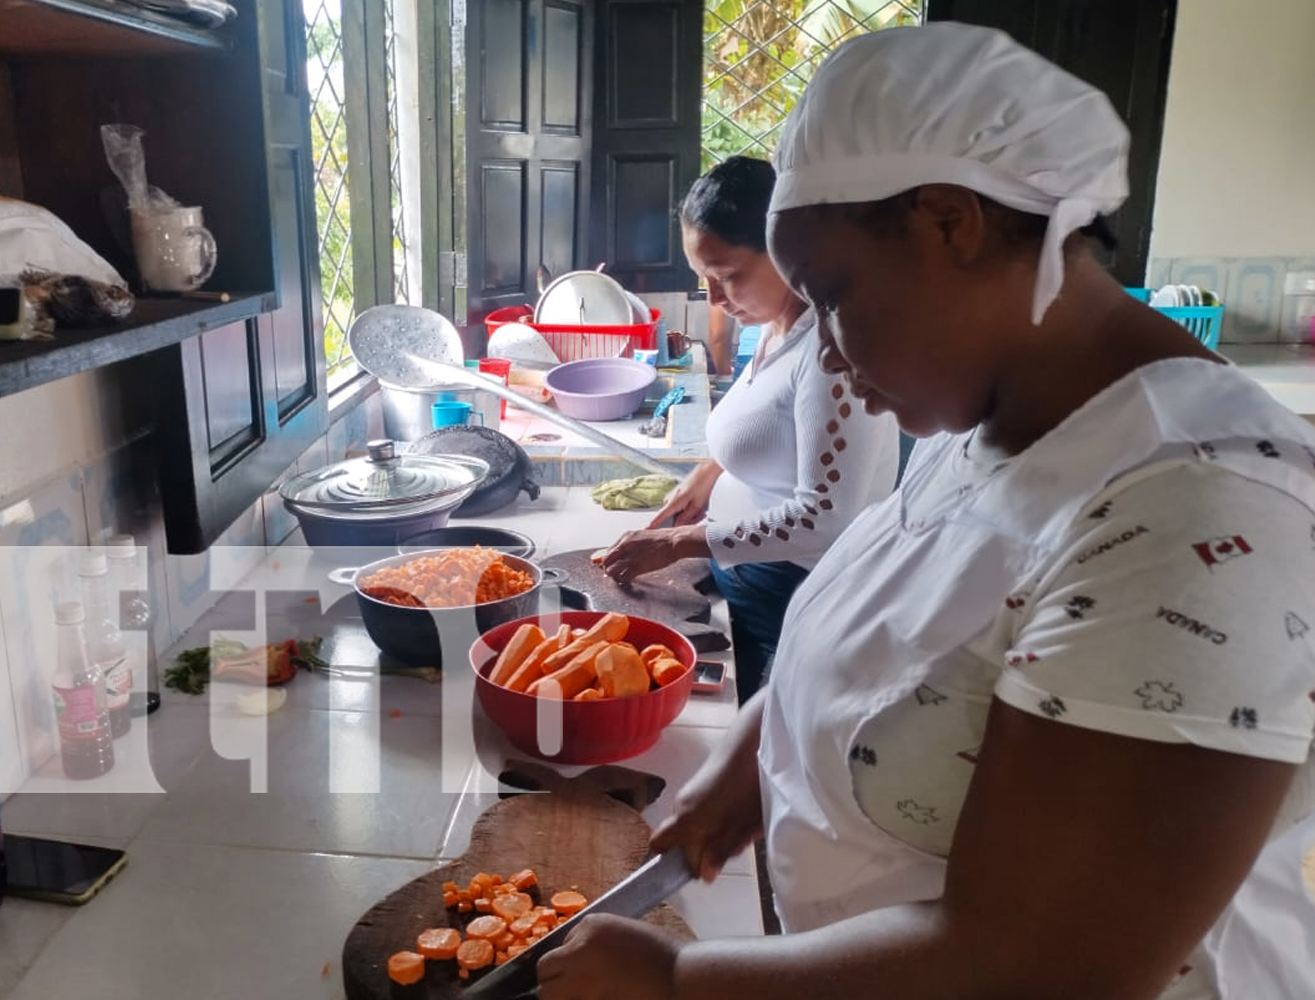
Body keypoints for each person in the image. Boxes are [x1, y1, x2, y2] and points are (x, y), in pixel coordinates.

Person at [538, 23, 1315, 1000]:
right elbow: (904, 633)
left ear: (952, 223)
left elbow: (1036, 964)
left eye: (834, 296)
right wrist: (762, 745)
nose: (822, 351)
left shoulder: (1200, 513)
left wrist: (678, 979)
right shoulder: (987, 421)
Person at [598, 156, 900, 704]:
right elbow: (773, 425)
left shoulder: (831, 357)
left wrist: (676, 542)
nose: (715, 299)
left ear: (786, 248)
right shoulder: (775, 326)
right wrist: (710, 474)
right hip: (740, 577)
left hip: (788, 600)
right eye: (703, 279)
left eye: (728, 276)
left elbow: (824, 517)